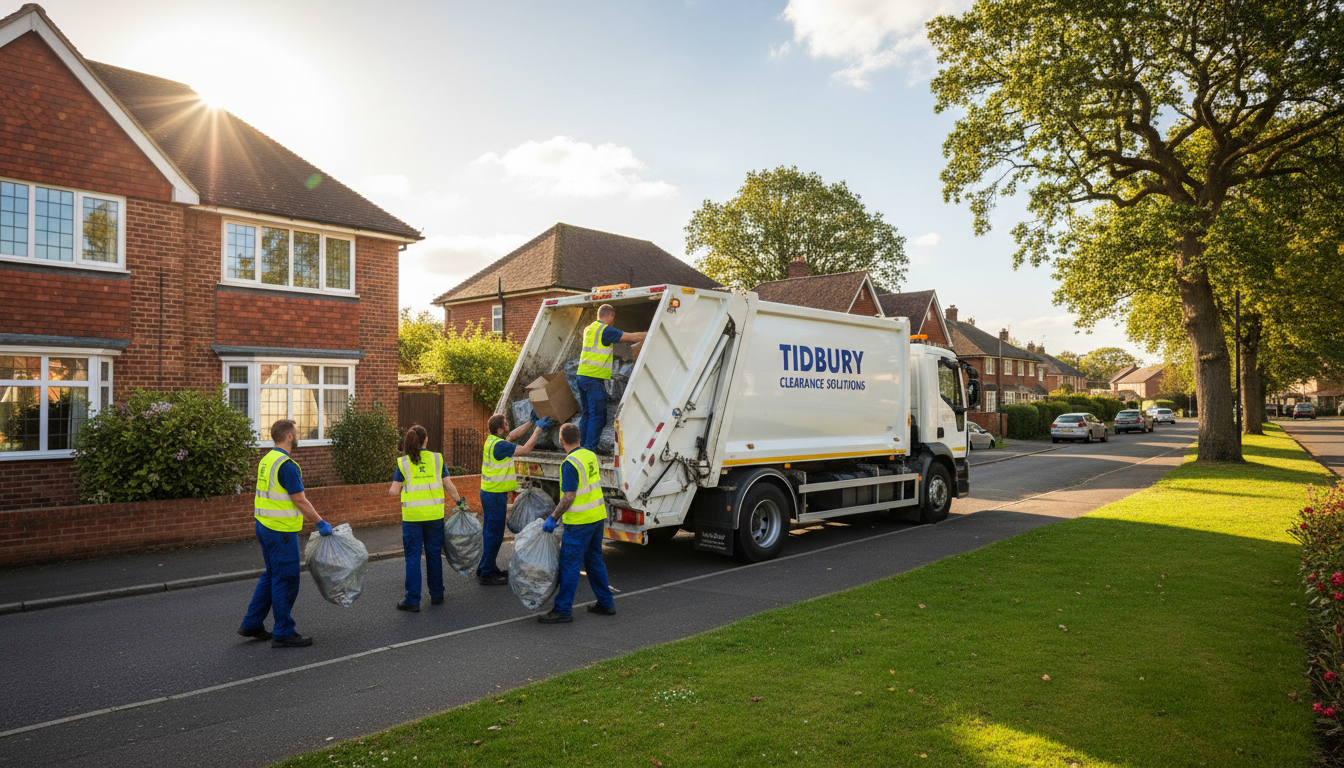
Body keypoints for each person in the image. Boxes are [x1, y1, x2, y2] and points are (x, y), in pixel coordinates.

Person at [239, 419, 332, 648]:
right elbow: (299, 500)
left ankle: (252, 623)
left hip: (264, 526)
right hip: (281, 532)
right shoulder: (287, 465)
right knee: (286, 579)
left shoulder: (267, 460)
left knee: (271, 575)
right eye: (296, 433)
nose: (298, 435)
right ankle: (283, 632)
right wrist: (320, 523)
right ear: (289, 436)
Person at [538, 422, 617, 623]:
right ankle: (606, 603)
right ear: (579, 438)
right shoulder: (590, 455)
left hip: (579, 521)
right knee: (594, 561)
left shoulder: (569, 464)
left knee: (570, 565)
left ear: (561, 440)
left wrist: (553, 517)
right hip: (597, 517)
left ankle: (563, 610)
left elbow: (569, 497)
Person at [388, 424, 469, 612]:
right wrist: (461, 504)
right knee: (434, 555)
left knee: (413, 557)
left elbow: (393, 491)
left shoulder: (404, 463)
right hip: (434, 515)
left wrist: (400, 488)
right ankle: (437, 594)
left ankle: (413, 600)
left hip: (412, 517)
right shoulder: (436, 459)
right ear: (425, 440)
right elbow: (448, 485)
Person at [478, 412, 552, 585]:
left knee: (490, 532)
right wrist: (538, 429)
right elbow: (525, 449)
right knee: (494, 535)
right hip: (495, 495)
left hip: (490, 493)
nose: (508, 424)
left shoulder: (493, 440)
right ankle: (487, 573)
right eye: (505, 423)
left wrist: (531, 422)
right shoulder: (500, 446)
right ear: (499, 428)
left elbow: (513, 435)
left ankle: (486, 567)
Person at [575, 303, 646, 452]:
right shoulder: (604, 330)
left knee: (587, 413)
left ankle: (579, 447)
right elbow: (631, 337)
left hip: (582, 376)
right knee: (598, 415)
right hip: (593, 378)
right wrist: (652, 332)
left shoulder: (589, 329)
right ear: (611, 316)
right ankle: (589, 450)